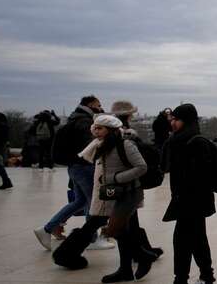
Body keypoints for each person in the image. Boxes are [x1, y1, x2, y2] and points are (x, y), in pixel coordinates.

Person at [52, 114, 157, 281]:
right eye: (95, 128)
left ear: (111, 130)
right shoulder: (99, 145)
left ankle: (141, 257)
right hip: (108, 193)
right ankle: (132, 265)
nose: (95, 131)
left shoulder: (125, 145)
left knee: (115, 229)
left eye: (100, 128)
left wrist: (116, 178)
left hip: (126, 193)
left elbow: (141, 167)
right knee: (121, 230)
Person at [34, 95, 115, 251]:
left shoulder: (75, 119)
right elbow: (91, 145)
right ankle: (91, 239)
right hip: (84, 166)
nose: (100, 108)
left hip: (75, 166)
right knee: (93, 202)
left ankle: (47, 229)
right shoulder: (85, 122)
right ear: (91, 104)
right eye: (98, 105)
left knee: (80, 202)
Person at [161, 103, 217, 284]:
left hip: (191, 201)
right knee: (197, 240)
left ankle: (182, 278)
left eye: (176, 119)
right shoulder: (180, 140)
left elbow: (199, 175)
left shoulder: (196, 142)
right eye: (172, 119)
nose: (173, 123)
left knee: (182, 241)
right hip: (188, 200)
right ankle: (206, 276)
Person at [110, 100, 164, 260]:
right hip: (123, 178)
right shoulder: (126, 132)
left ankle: (141, 250)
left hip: (120, 177)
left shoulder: (115, 131)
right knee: (123, 218)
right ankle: (140, 252)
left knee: (128, 217)